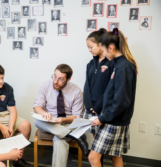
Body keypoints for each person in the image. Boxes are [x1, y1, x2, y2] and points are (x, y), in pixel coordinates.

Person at [88, 28, 138, 167]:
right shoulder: (119, 65)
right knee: (115, 155)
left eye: (103, 51)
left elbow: (122, 101)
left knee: (93, 158)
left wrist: (102, 118)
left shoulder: (123, 67)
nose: (103, 54)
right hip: (115, 119)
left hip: (114, 121)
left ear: (110, 48)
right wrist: (97, 107)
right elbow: (111, 91)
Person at [34, 64, 88, 167]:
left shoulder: (76, 91)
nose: (55, 81)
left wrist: (63, 120)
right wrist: (44, 113)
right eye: (54, 76)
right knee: (36, 121)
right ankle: (70, 135)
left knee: (59, 139)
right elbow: (37, 107)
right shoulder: (45, 85)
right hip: (50, 119)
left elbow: (76, 116)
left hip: (68, 121)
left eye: (60, 79)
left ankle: (65, 133)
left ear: (68, 79)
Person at [83, 28, 114, 167]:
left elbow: (110, 89)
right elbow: (87, 86)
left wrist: (98, 106)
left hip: (105, 109)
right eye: (88, 48)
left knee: (113, 149)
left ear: (100, 44)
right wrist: (89, 105)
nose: (89, 50)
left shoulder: (112, 63)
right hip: (92, 109)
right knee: (97, 146)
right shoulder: (90, 64)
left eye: (91, 47)